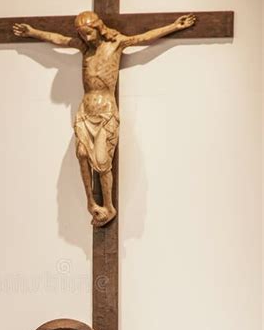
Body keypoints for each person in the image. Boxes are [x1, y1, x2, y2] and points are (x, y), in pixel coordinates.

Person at [13, 12, 196, 227]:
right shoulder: (84, 48)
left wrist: (174, 26)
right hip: (86, 110)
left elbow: (145, 38)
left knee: (101, 162)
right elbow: (58, 40)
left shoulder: (117, 43)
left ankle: (108, 206)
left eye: (89, 33)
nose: (86, 38)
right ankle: (91, 203)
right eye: (82, 34)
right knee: (81, 153)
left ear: (99, 28)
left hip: (106, 110)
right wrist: (33, 32)